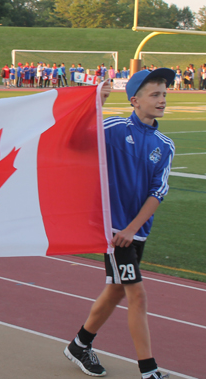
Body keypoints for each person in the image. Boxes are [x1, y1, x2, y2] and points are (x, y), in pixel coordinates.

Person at [64, 68, 175, 379]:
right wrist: (95, 103)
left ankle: (79, 346)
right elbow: (74, 141)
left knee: (115, 291)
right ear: (134, 100)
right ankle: (149, 371)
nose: (162, 100)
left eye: (164, 94)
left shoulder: (165, 145)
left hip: (134, 232)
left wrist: (133, 228)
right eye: (155, 94)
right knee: (136, 294)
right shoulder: (113, 128)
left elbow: (158, 192)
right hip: (112, 230)